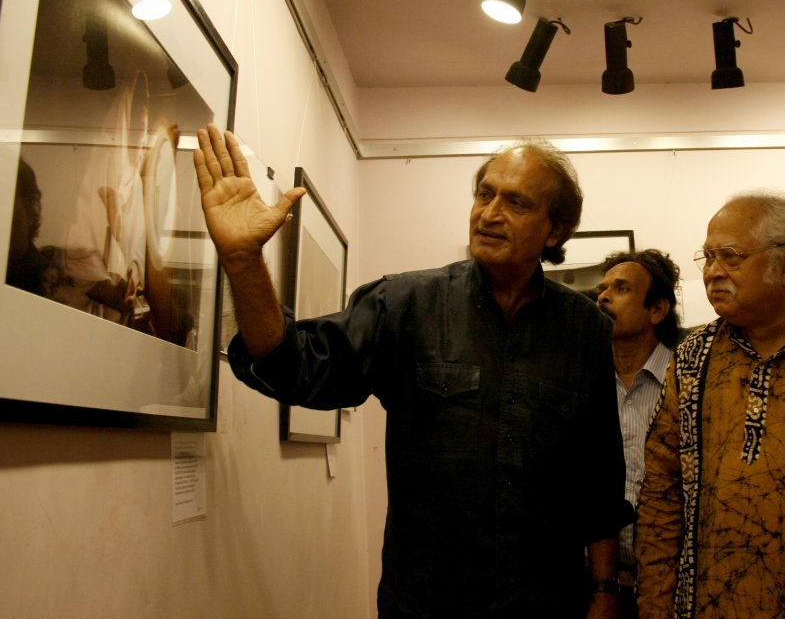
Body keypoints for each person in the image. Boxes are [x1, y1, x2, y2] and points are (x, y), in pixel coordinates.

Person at [192, 124, 630, 619]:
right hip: (426, 601)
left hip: (548, 601)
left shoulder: (587, 330)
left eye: (517, 203)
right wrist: (244, 259)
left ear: (555, 229)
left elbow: (598, 477)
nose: (489, 214)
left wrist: (604, 589)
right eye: (484, 195)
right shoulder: (404, 304)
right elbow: (294, 367)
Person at [636, 191, 785, 618]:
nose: (713, 273)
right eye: (707, 257)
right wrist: (654, 606)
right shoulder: (693, 356)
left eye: (730, 256)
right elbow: (660, 495)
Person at [595, 248, 682, 619]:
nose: (604, 296)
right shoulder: (587, 384)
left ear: (657, 310)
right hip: (599, 583)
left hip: (671, 583)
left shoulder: (686, 381)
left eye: (621, 288)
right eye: (602, 288)